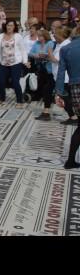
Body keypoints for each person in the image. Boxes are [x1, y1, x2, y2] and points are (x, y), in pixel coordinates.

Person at [55, 27, 80, 169]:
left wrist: (59, 93)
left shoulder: (66, 49)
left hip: (75, 88)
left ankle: (70, 160)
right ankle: (70, 161)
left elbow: (61, 72)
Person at [0, 19, 29, 108]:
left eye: (12, 25)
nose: (10, 27)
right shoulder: (1, 36)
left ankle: (19, 101)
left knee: (15, 82)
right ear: (5, 26)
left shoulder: (18, 36)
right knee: (0, 82)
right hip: (3, 63)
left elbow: (23, 49)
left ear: (14, 27)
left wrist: (25, 61)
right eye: (8, 25)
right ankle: (2, 99)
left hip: (16, 63)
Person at [50, 26, 77, 125]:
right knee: (66, 97)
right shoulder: (59, 44)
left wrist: (49, 53)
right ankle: (73, 116)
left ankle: (73, 117)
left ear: (61, 35)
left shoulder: (65, 46)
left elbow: (57, 60)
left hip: (64, 77)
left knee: (64, 97)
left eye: (55, 34)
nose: (54, 35)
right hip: (58, 76)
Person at [30, 29, 56, 121]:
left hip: (50, 69)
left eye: (41, 36)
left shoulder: (50, 43)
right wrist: (36, 55)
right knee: (45, 88)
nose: (39, 38)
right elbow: (30, 52)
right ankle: (46, 111)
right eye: (38, 36)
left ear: (45, 36)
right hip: (40, 68)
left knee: (48, 89)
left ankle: (47, 110)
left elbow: (52, 54)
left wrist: (44, 55)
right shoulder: (36, 43)